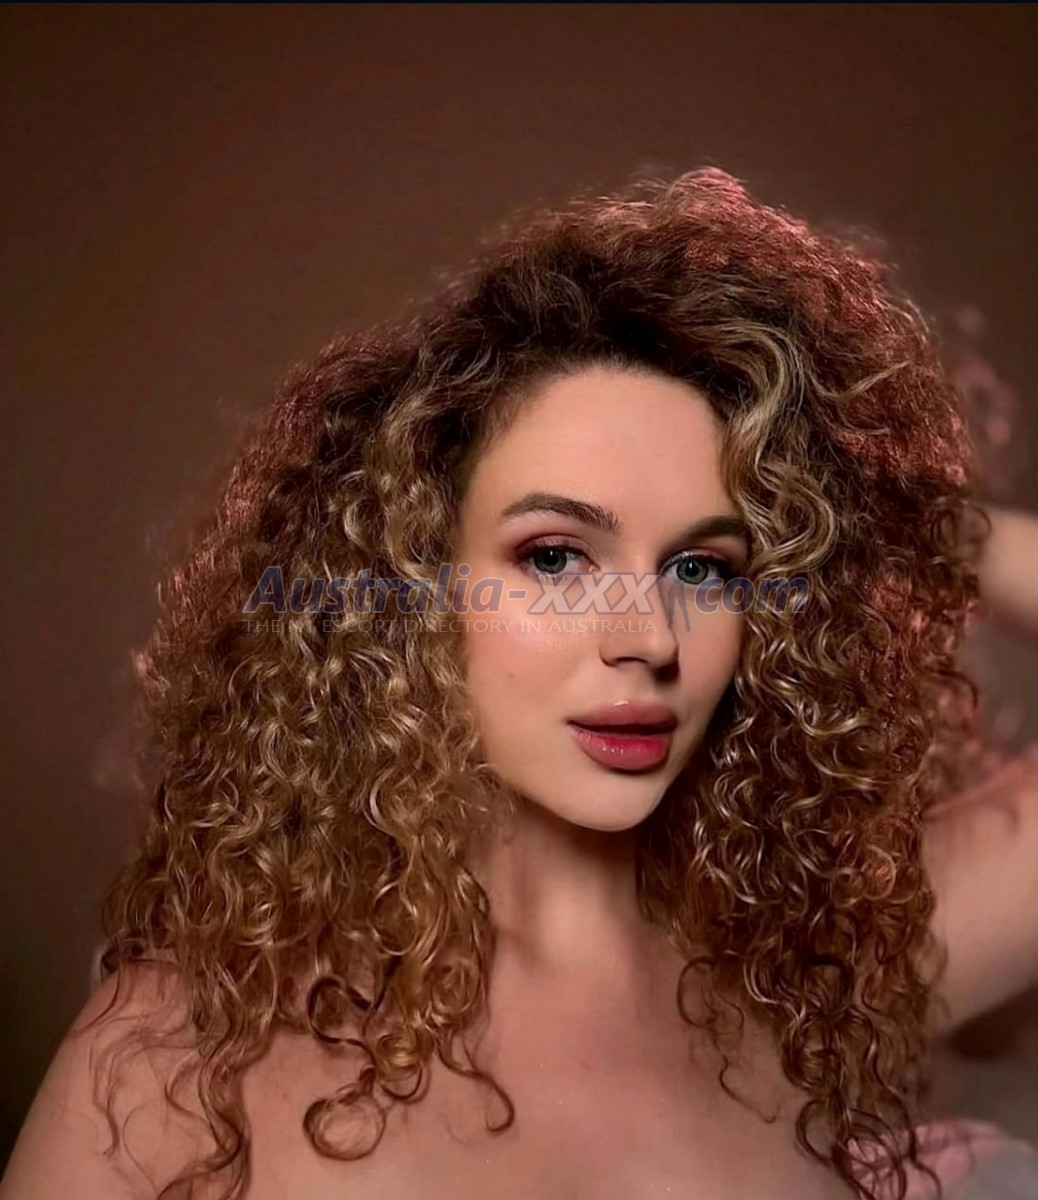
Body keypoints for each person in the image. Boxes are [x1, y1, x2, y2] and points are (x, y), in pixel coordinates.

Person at [3, 168, 1037, 1200]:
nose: (648, 639)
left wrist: (894, 524)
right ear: (410, 580)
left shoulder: (819, 973)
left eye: (702, 567)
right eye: (555, 557)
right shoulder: (176, 1053)